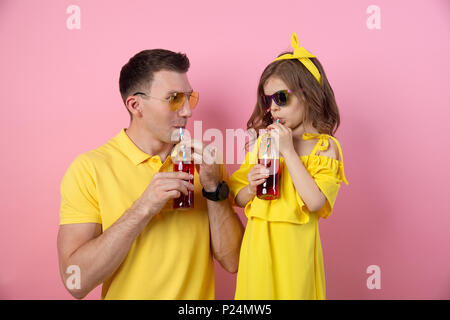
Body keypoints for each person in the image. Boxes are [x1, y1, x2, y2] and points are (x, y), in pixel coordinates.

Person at [57, 49, 244, 299]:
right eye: (175, 98)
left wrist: (213, 189)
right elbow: (75, 282)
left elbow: (233, 262)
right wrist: (143, 207)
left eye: (190, 98)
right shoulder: (89, 168)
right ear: (136, 105)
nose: (188, 111)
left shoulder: (206, 164)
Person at [229, 32, 349, 299]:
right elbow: (236, 197)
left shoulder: (324, 147)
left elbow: (316, 202)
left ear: (308, 95)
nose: (273, 108)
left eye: (281, 98)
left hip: (296, 253)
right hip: (258, 250)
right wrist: (250, 185)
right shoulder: (263, 144)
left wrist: (289, 153)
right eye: (267, 100)